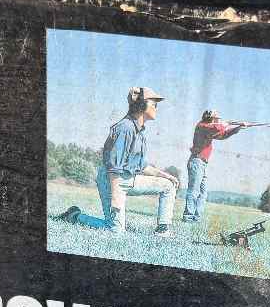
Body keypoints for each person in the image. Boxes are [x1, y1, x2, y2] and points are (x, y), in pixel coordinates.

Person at [57, 87, 180, 237]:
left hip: (128, 178)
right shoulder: (125, 128)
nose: (156, 108)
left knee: (168, 185)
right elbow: (114, 167)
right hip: (111, 180)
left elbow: (141, 166)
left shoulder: (139, 131)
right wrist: (116, 197)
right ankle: (75, 216)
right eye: (154, 104)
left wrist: (167, 176)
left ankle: (163, 230)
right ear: (142, 105)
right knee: (115, 230)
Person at [181, 109, 246, 222]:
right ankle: (188, 218)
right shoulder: (202, 126)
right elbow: (218, 128)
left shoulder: (209, 129)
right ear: (210, 118)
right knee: (194, 191)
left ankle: (196, 218)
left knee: (203, 193)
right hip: (197, 161)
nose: (217, 121)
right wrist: (226, 123)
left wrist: (237, 128)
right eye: (216, 119)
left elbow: (223, 135)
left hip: (202, 163)